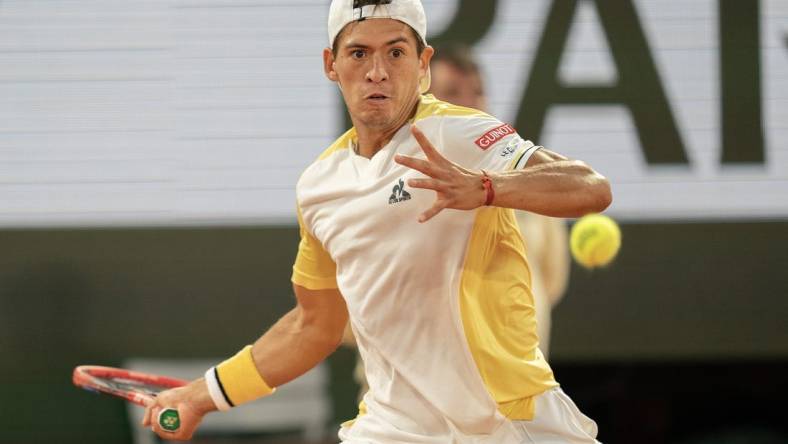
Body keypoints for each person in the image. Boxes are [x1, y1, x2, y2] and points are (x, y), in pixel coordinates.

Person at [142, 1, 611, 442]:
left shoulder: (461, 133)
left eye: (396, 52)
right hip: (393, 426)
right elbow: (313, 327)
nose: (377, 72)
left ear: (423, 65)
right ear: (331, 64)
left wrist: (487, 187)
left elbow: (591, 186)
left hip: (508, 421)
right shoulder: (319, 187)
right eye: (359, 53)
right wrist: (200, 396)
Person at [429, 43, 571, 356]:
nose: (469, 104)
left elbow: (550, 281)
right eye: (453, 93)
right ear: (426, 103)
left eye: (477, 92)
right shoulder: (401, 177)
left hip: (516, 385)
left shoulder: (525, 172)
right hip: (420, 392)